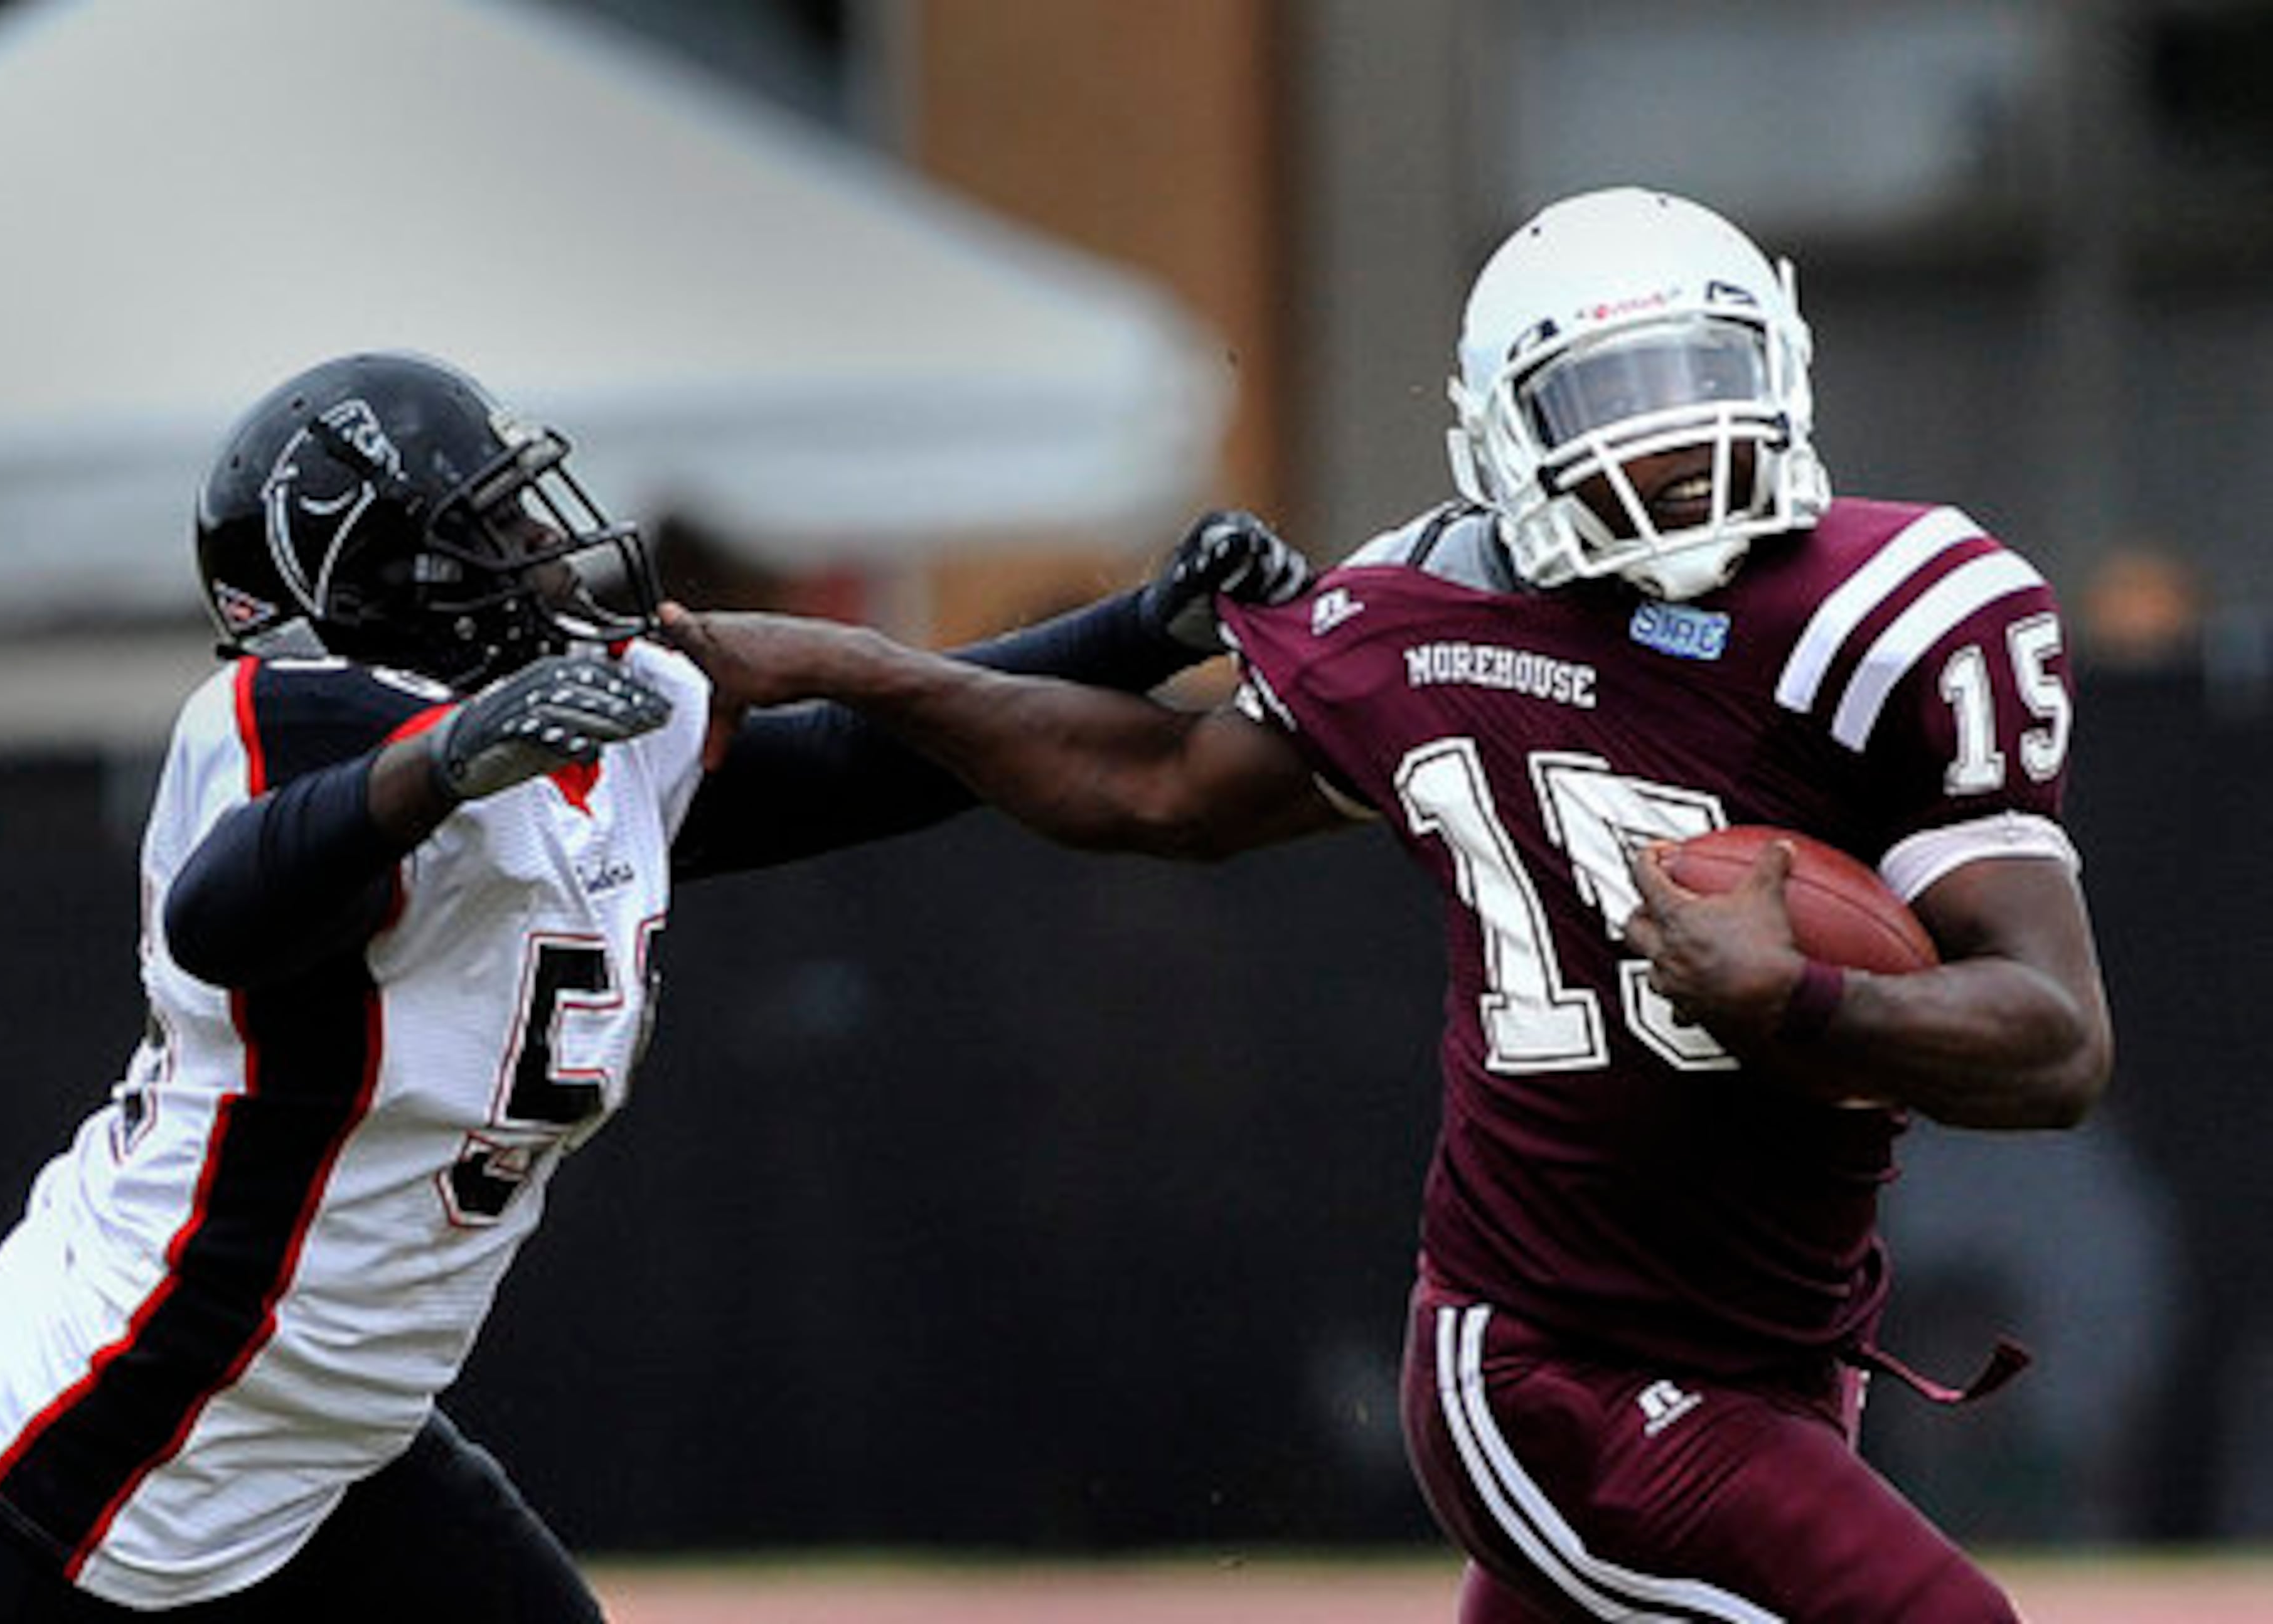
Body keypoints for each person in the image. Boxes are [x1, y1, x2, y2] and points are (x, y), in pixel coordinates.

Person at [660, 188, 2115, 1622]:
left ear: (1782, 367)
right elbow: (1159, 790)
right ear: (1498, 432)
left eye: (1697, 376)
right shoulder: (1417, 614)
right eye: (1602, 396)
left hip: (1779, 1351)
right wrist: (873, 671)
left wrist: (1800, 1000)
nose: (1667, 439)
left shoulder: (1902, 614)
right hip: (1558, 1363)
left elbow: (2056, 1044)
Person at [0, 350, 1307, 1621]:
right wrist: (445, 761)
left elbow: (874, 761)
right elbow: (228, 914)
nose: (545, 554)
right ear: (367, 570)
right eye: (489, 526)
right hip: (71, 1458)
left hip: (322, 1450)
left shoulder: (578, 728)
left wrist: (1147, 625)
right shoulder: (291, 717)